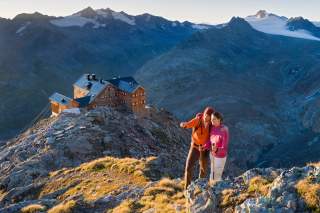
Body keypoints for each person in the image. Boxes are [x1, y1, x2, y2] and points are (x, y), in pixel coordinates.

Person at [180, 107, 214, 190]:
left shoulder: (211, 124)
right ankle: (187, 189)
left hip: (205, 149)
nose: (206, 118)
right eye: (206, 115)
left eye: (209, 117)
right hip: (195, 147)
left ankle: (199, 187)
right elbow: (190, 123)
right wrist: (184, 125)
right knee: (188, 167)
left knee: (203, 169)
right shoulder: (198, 120)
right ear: (204, 114)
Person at [204, 111, 229, 183]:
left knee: (216, 178)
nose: (212, 121)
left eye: (214, 119)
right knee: (212, 174)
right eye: (211, 119)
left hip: (220, 156)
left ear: (219, 119)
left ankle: (219, 192)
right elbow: (210, 140)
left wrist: (217, 149)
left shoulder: (224, 129)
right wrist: (205, 146)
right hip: (212, 155)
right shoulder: (213, 128)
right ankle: (213, 192)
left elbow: (225, 147)